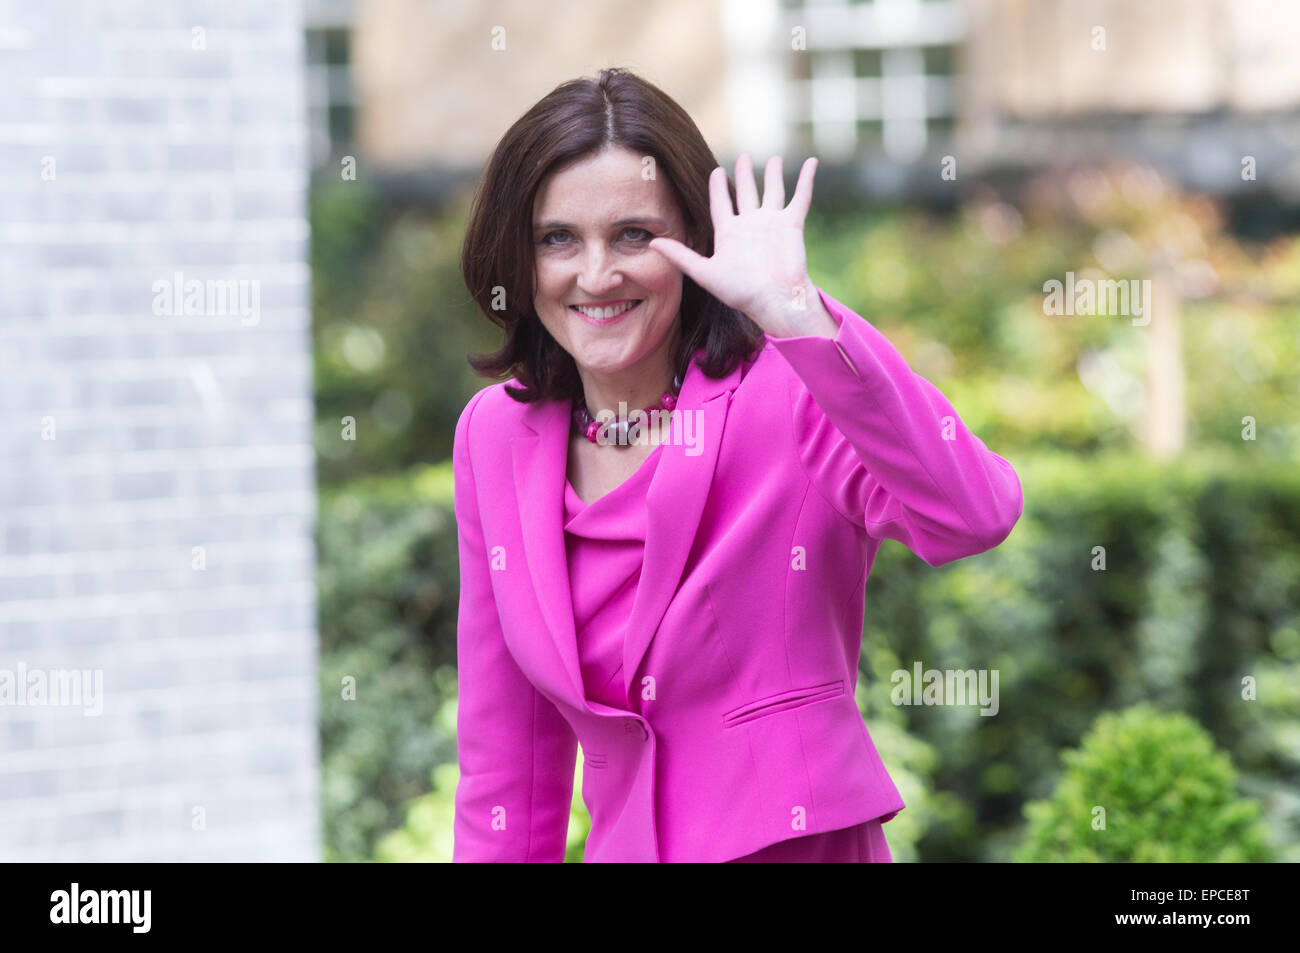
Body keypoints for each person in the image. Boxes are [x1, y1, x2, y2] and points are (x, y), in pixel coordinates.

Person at [452, 67, 1023, 862]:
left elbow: (973, 514)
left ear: (694, 240)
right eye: (558, 238)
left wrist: (801, 316)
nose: (596, 275)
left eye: (634, 235)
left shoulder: (792, 390)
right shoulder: (495, 434)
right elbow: (505, 759)